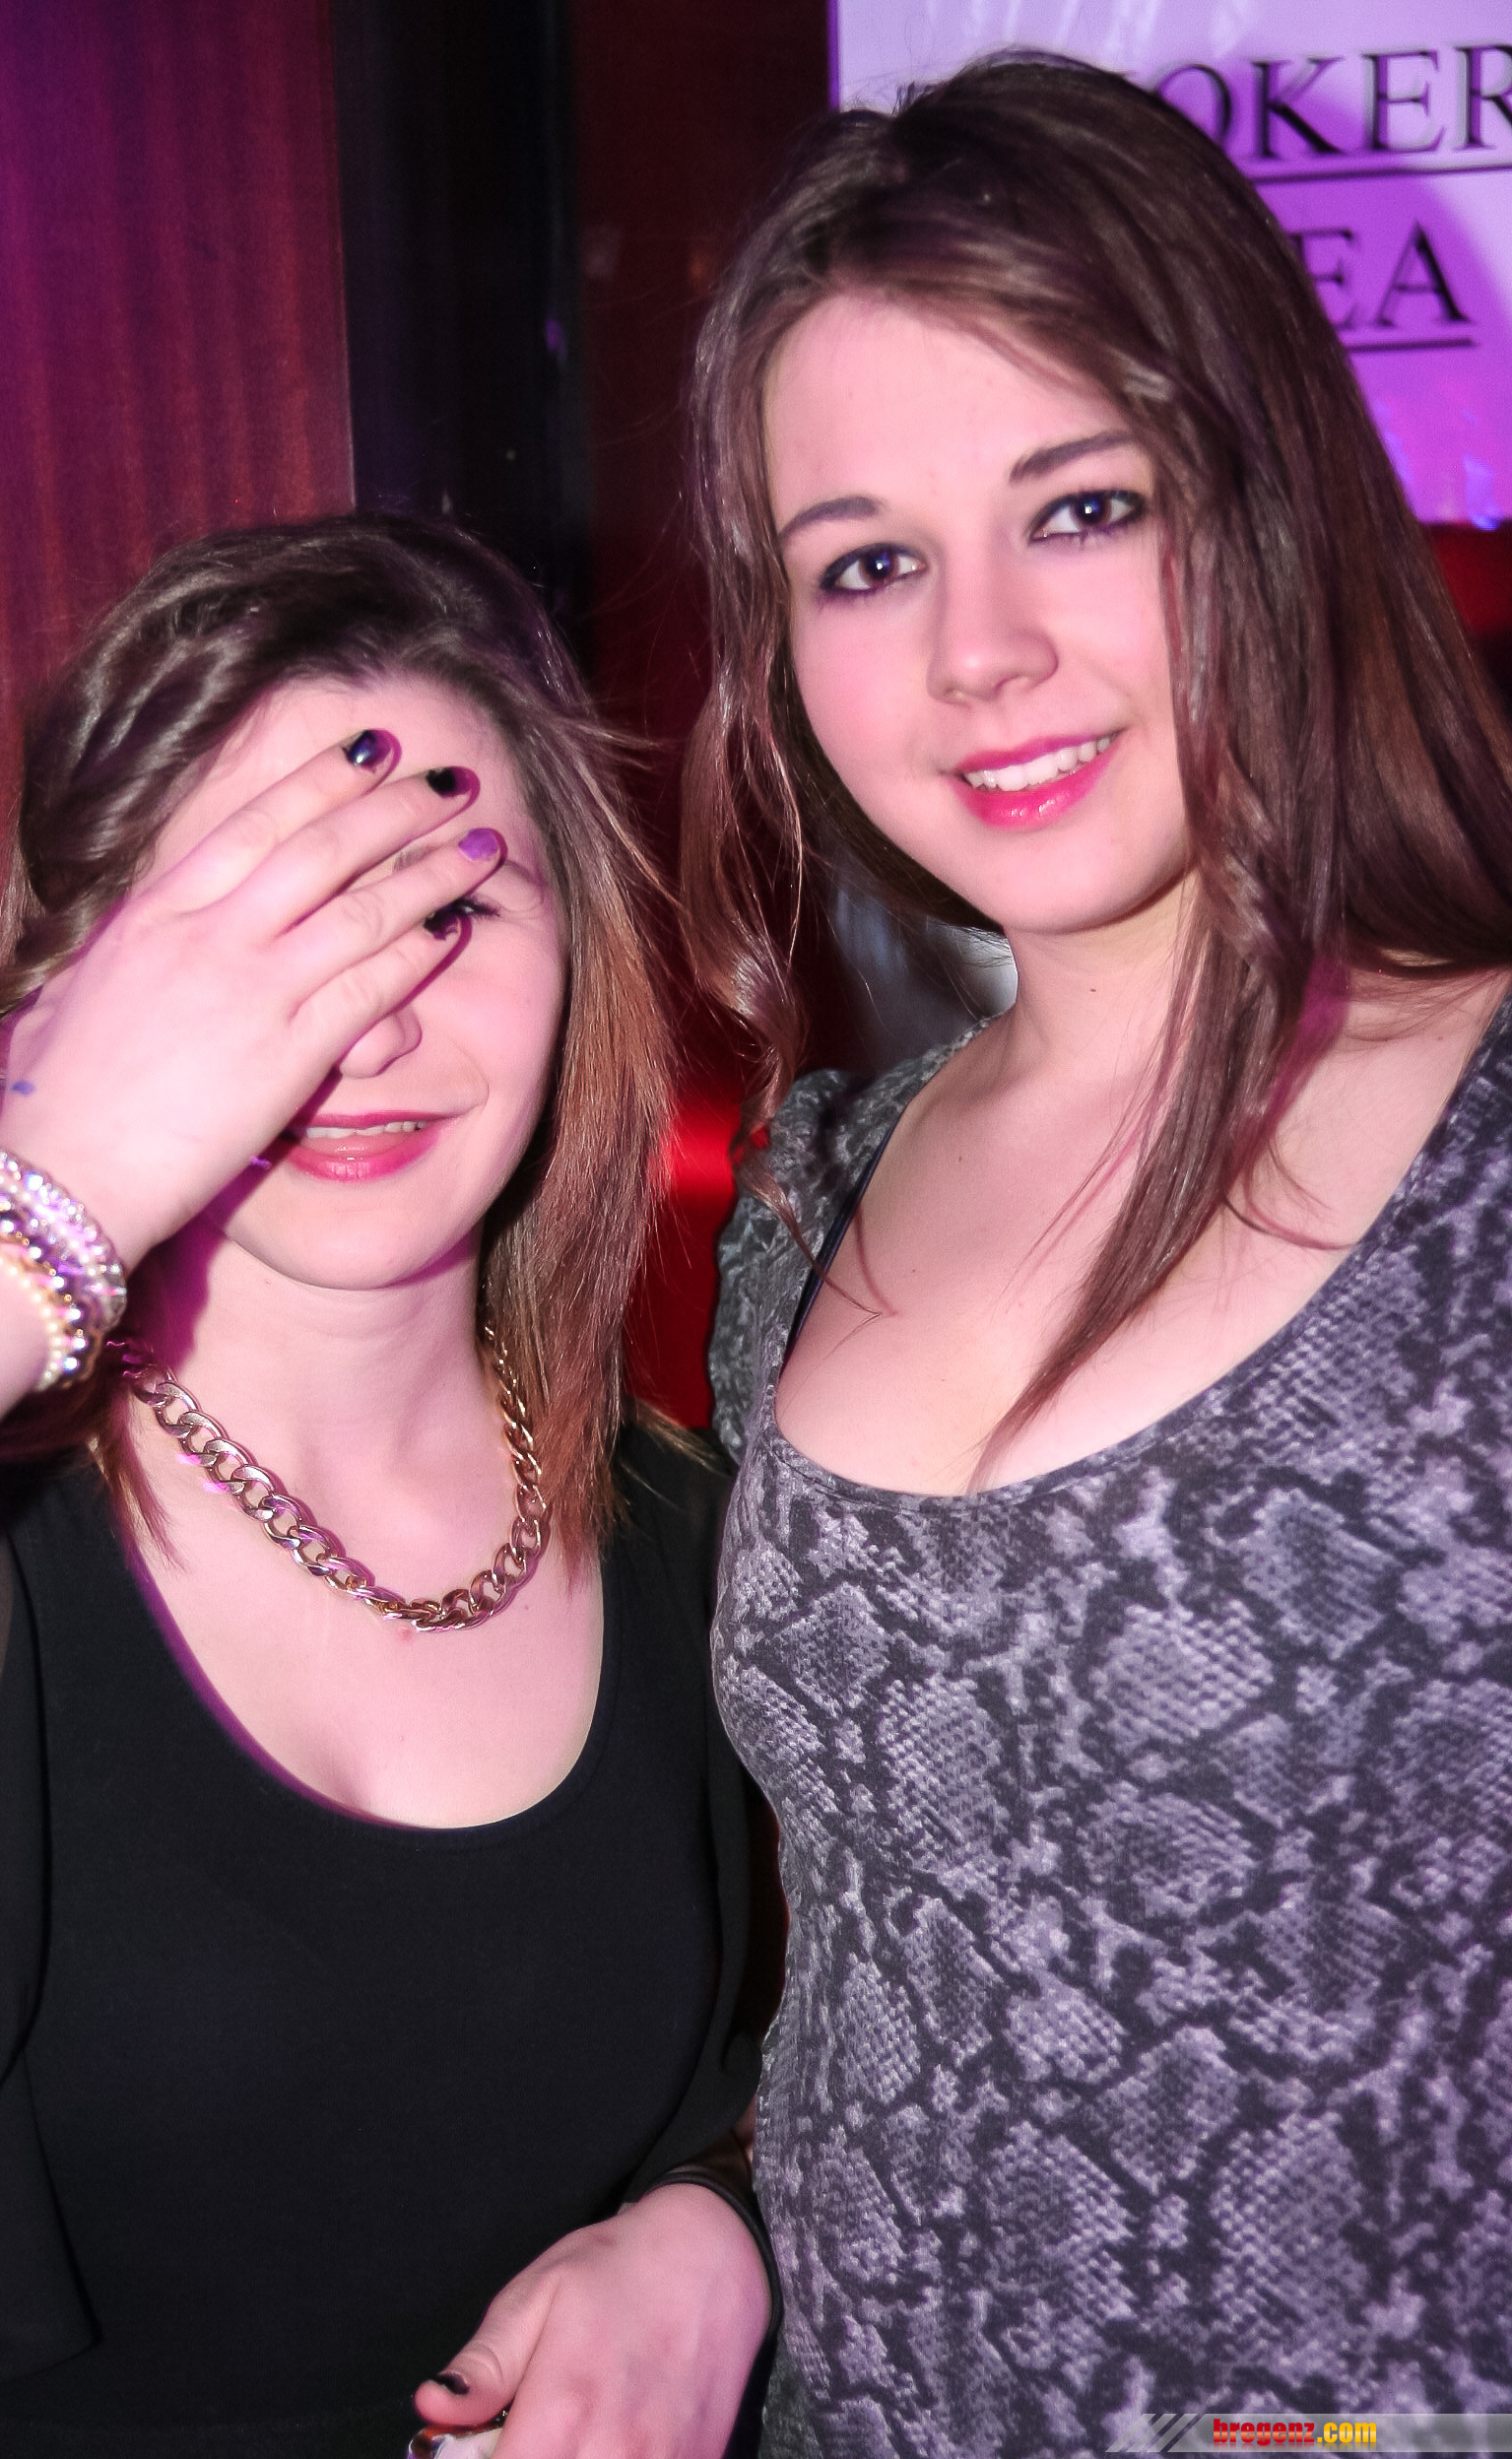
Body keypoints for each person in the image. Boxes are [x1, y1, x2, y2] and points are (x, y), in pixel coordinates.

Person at [679, 50, 1512, 2459]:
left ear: (1266, 503)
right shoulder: (806, 1198)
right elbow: (888, 1952)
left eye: (1080, 506)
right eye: (863, 562)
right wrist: (703, 2218)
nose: (978, 651)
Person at [0, 515, 776, 2458]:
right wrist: (47, 1196)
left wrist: (714, 2227)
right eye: (262, 928)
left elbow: (854, 2049)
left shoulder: (694, 1527)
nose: (367, 1021)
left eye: (444, 904)